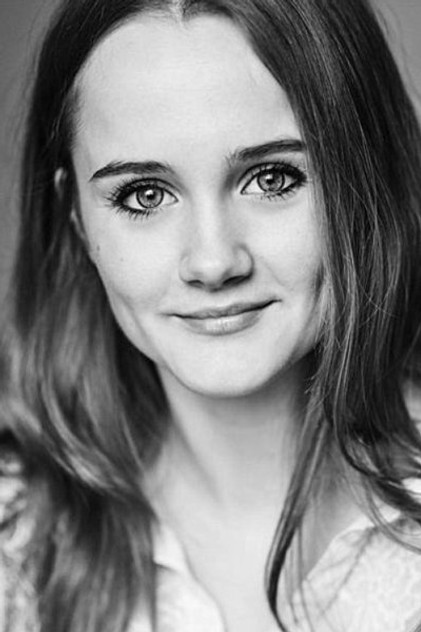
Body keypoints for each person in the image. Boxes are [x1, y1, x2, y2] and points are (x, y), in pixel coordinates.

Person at [0, 0, 421, 630]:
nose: (213, 261)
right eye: (145, 194)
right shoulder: (17, 549)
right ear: (76, 218)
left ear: (367, 183)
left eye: (273, 178)